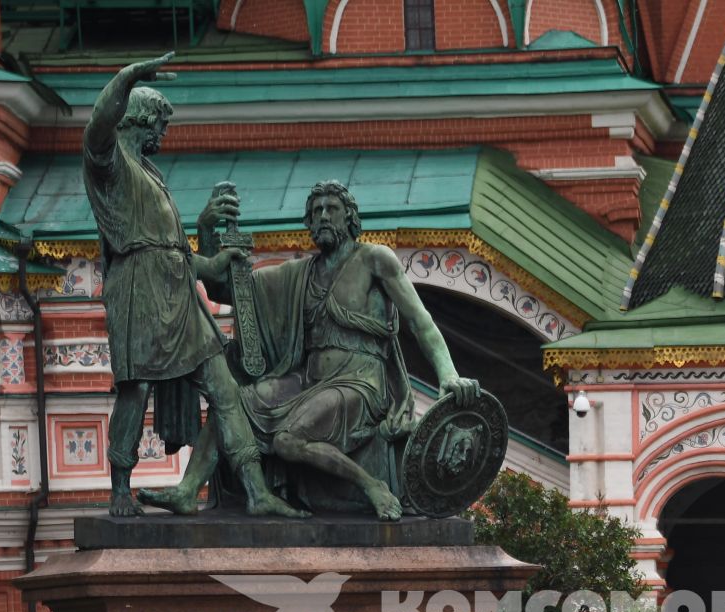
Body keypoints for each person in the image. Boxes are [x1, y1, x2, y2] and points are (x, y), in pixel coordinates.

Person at [164, 179, 482, 519]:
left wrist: (448, 374)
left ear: (349, 216)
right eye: (316, 212)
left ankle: (372, 485)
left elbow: (421, 322)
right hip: (309, 380)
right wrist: (206, 230)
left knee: (288, 440)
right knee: (232, 400)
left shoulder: (375, 259)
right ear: (309, 223)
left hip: (360, 383)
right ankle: (187, 490)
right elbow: (229, 291)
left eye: (332, 209)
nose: (324, 216)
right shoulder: (301, 273)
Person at [81, 52, 300, 520]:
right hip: (139, 295)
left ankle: (256, 490)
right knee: (135, 389)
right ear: (141, 120)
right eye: (161, 124)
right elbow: (96, 130)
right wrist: (126, 75)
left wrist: (212, 254)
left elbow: (174, 255)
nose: (164, 134)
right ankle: (121, 487)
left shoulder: (152, 175)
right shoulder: (112, 166)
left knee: (225, 389)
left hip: (178, 299)